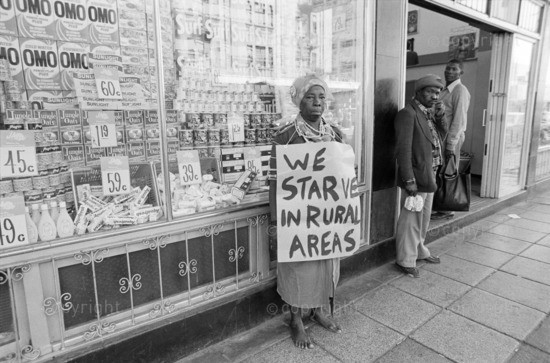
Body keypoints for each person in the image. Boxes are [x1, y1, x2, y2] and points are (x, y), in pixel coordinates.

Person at [268, 74, 344, 349]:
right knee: (298, 268)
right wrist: (276, 221)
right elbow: (275, 181)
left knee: (326, 265)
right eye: (310, 97)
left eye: (322, 96)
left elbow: (343, 174)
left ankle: (320, 310)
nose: (317, 102)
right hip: (297, 217)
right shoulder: (285, 137)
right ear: (299, 100)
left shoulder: (335, 134)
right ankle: (296, 319)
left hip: (326, 217)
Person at [394, 74, 447, 278]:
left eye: (437, 92)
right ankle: (405, 259)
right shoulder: (408, 114)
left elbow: (439, 138)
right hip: (416, 176)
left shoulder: (427, 114)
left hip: (429, 174)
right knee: (410, 220)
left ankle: (419, 251)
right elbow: (403, 150)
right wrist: (409, 180)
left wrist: (440, 117)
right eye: (430, 92)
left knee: (424, 218)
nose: (435, 96)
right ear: (418, 92)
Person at [432, 59, 471, 220]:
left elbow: (459, 120)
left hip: (451, 139)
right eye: (447, 68)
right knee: (441, 170)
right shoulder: (444, 90)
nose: (449, 71)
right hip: (441, 137)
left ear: (461, 73)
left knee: (448, 171)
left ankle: (448, 208)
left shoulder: (460, 91)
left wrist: (450, 145)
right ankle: (441, 203)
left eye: (454, 69)